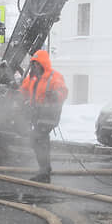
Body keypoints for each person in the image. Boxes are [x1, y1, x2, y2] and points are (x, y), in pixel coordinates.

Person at [20, 49, 68, 183]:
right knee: (38, 140)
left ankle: (44, 171)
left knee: (38, 138)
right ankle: (45, 169)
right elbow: (23, 90)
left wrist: (55, 95)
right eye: (33, 64)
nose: (35, 66)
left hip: (49, 115)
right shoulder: (33, 78)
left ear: (43, 63)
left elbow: (63, 91)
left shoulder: (54, 77)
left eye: (37, 63)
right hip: (37, 115)